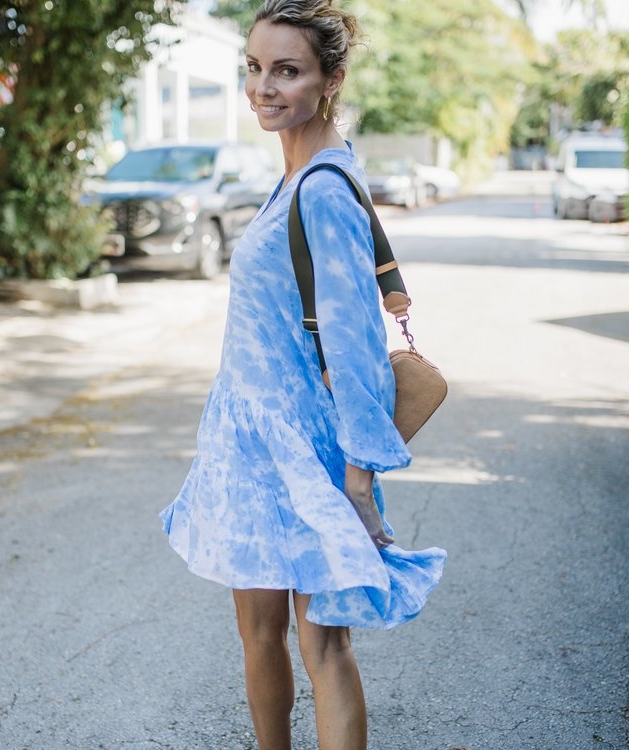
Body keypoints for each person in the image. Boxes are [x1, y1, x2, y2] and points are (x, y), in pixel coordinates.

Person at [160, 1, 446, 747]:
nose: (263, 87)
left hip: (309, 452)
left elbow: (354, 348)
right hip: (250, 446)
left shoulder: (321, 190)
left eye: (286, 71)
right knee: (259, 638)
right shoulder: (295, 176)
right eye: (254, 68)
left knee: (323, 644)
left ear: (331, 79)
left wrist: (358, 480)